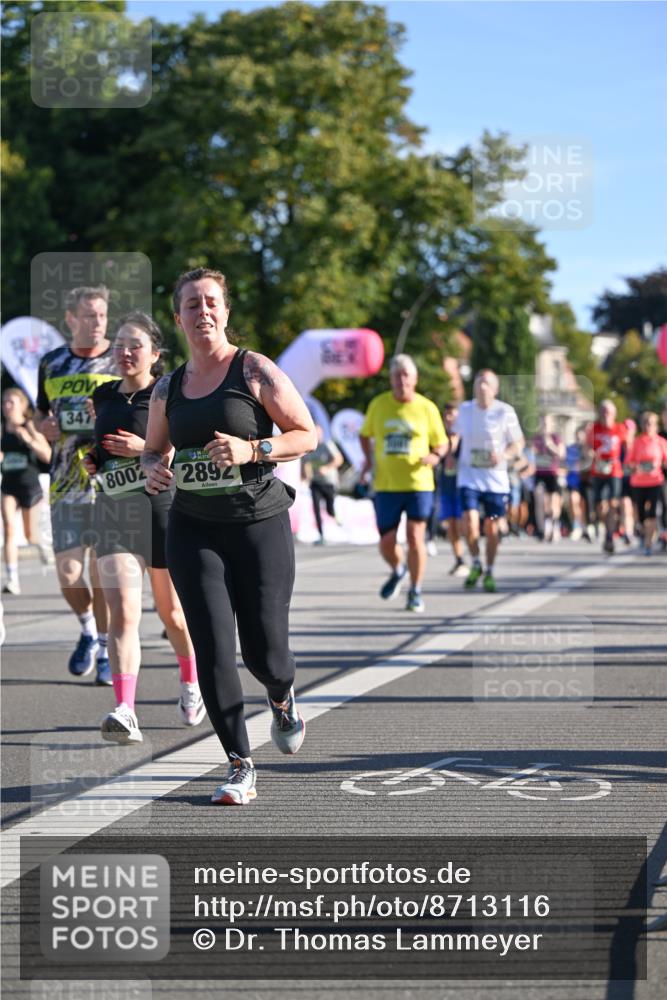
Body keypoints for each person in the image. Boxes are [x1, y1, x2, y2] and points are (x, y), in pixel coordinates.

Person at [142, 267, 316, 805]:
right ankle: (240, 765)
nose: (203, 312)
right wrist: (152, 468)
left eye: (211, 301)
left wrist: (253, 450)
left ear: (226, 311)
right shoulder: (168, 388)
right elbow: (154, 449)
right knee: (214, 648)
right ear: (178, 318)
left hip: (259, 524)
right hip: (193, 528)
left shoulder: (255, 370)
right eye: (191, 304)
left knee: (264, 651)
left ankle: (282, 697)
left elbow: (306, 434)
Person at [83, 312, 204, 744]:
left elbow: (184, 450)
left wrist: (145, 450)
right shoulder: (101, 394)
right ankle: (124, 709)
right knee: (123, 614)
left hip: (161, 511)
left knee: (171, 613)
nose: (125, 351)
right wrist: (94, 460)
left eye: (135, 344)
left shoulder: (168, 392)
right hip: (113, 513)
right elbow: (100, 448)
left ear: (155, 353)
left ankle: (191, 682)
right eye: (119, 344)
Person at [35, 286, 119, 684]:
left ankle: (104, 646)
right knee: (68, 573)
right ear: (70, 318)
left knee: (101, 572)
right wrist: (44, 427)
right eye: (88, 315)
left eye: (101, 315)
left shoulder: (120, 359)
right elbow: (39, 415)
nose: (97, 322)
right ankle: (87, 628)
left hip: (108, 483)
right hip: (65, 483)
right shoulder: (51, 364)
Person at [359, 354, 448, 614]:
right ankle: (399, 569)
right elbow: (365, 435)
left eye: (406, 376)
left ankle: (416, 590)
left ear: (415, 379)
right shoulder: (379, 405)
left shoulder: (427, 408)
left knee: (414, 535)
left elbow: (442, 442)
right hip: (387, 484)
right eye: (396, 376)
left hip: (419, 483)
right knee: (386, 542)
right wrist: (368, 460)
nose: (401, 381)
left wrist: (435, 455)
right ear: (391, 380)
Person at [454, 369, 524, 593]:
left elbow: (518, 443)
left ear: (495, 389)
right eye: (478, 383)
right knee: (470, 523)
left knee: (492, 528)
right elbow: (454, 435)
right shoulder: (464, 410)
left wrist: (503, 455)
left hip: (495, 482)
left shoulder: (505, 412)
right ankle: (476, 563)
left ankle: (490, 569)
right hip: (469, 479)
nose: (482, 387)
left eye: (486, 384)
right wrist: (449, 449)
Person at [1, 387, 52, 594]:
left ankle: (42, 547)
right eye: (4, 402)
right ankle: (12, 578)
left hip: (30, 486)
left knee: (31, 536)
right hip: (9, 485)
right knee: (9, 529)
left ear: (22, 406)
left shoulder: (30, 426)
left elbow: (47, 456)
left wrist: (29, 440)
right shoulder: (2, 429)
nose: (7, 406)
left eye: (11, 402)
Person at [586, 400, 627, 554]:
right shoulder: (594, 428)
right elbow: (587, 446)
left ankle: (609, 536)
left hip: (614, 470)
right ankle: (606, 528)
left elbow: (627, 448)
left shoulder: (620, 429)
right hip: (598, 470)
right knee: (600, 506)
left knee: (613, 503)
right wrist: (590, 453)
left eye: (608, 411)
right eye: (603, 411)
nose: (605, 414)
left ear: (614, 414)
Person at [627, 411, 667, 556]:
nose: (648, 426)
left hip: (656, 481)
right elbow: (628, 462)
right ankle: (643, 534)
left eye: (651, 423)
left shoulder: (661, 442)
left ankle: (648, 543)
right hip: (638, 482)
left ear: (656, 426)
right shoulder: (637, 442)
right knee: (641, 513)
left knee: (652, 513)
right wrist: (635, 467)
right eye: (646, 423)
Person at [438, 402, 468, 576]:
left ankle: (475, 557)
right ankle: (459, 560)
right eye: (446, 416)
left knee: (464, 525)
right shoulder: (439, 438)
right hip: (446, 486)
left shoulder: (466, 438)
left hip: (463, 486)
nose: (449, 419)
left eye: (453, 416)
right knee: (451, 526)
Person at [302, 424, 343, 545]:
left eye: (318, 433)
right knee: (316, 508)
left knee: (330, 509)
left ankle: (335, 514)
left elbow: (339, 459)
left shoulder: (327, 444)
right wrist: (306, 476)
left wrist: (326, 468)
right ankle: (321, 535)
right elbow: (306, 463)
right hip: (315, 482)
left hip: (328, 482)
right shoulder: (309, 447)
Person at [531, 414, 565, 542]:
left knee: (553, 503)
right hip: (540, 472)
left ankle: (554, 526)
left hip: (552, 473)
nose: (544, 426)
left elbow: (561, 454)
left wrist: (549, 443)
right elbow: (532, 454)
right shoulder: (537, 438)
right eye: (542, 423)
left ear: (551, 424)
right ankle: (542, 528)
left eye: (547, 423)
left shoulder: (556, 438)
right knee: (539, 498)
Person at [565, 426, 588, 541]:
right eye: (578, 435)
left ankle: (585, 526)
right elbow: (566, 463)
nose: (580, 438)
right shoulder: (570, 449)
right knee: (574, 502)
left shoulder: (589, 449)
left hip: (586, 481)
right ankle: (576, 526)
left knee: (583, 505)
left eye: (582, 435)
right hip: (573, 480)